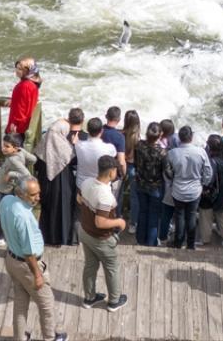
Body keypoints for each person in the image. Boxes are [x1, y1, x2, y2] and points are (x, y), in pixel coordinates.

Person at [0, 178, 68, 341]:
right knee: (47, 304)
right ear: (21, 194)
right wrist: (37, 275)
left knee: (20, 303)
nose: (37, 197)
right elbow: (29, 252)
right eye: (32, 195)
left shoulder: (6, 201)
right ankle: (50, 338)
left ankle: (20, 337)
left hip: (11, 259)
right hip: (27, 266)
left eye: (38, 192)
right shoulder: (24, 218)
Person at [78, 155, 128, 311]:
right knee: (111, 267)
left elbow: (79, 199)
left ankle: (89, 298)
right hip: (101, 238)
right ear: (112, 172)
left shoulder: (86, 183)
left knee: (90, 266)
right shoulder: (105, 196)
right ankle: (114, 301)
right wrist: (119, 222)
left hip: (85, 232)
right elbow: (100, 222)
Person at [35, 108, 83, 247]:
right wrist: (74, 145)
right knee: (64, 210)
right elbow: (74, 160)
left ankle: (47, 237)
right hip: (64, 181)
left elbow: (38, 160)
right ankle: (63, 238)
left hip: (46, 179)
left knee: (47, 209)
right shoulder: (67, 147)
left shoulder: (46, 140)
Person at [0, 133, 37, 247]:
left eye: (7, 146)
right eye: (3, 145)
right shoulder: (21, 151)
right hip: (1, 188)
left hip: (6, 190)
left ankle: (0, 237)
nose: (3, 148)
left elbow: (27, 175)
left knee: (2, 214)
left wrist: (12, 173)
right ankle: (7, 225)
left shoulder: (13, 160)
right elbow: (33, 159)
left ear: (15, 148)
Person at [166, 126, 213, 250]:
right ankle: (190, 244)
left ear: (179, 138)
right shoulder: (201, 152)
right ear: (191, 137)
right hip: (194, 190)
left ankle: (178, 243)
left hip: (177, 190)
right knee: (191, 216)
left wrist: (172, 182)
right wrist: (203, 183)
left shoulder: (172, 153)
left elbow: (168, 172)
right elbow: (208, 171)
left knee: (179, 216)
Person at [132, 122, 167, 246]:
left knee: (142, 212)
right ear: (160, 135)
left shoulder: (139, 146)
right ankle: (151, 242)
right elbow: (166, 172)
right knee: (154, 215)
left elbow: (136, 163)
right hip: (155, 187)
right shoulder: (162, 152)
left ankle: (140, 239)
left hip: (140, 183)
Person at [200, 135, 223, 247]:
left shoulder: (210, 161)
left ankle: (206, 241)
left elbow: (207, 178)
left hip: (209, 194)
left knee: (205, 216)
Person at [7, 56, 41, 144]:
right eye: (17, 68)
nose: (17, 71)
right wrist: (13, 100)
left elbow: (21, 110)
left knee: (13, 151)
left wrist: (15, 126)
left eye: (20, 69)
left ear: (27, 70)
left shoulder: (24, 86)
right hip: (26, 124)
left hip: (18, 127)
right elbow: (26, 101)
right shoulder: (33, 83)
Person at [75, 117, 116, 190]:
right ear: (101, 131)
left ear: (87, 130)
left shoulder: (79, 145)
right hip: (100, 187)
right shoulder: (110, 148)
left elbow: (76, 143)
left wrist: (75, 141)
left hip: (82, 185)